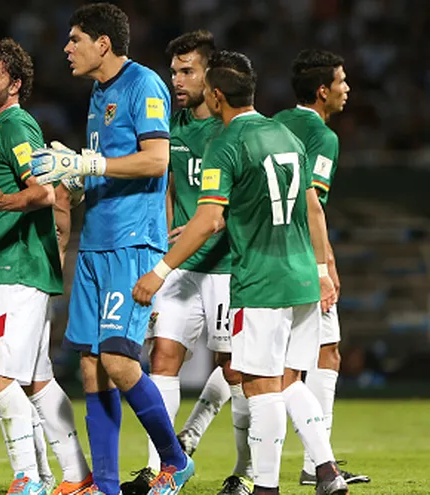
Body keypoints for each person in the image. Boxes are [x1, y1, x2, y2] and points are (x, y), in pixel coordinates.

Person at [132, 50, 348, 495]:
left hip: (260, 281)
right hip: (303, 277)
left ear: (215, 95)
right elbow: (312, 208)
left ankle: (266, 486)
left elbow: (210, 219)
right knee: (289, 381)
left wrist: (159, 271)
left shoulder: (225, 145)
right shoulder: (285, 133)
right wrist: (323, 269)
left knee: (260, 385)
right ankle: (326, 471)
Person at [29, 4, 194, 494]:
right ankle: (104, 485)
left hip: (131, 242)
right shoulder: (99, 92)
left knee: (120, 361)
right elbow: (105, 166)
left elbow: (155, 159)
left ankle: (175, 459)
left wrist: (91, 162)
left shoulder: (144, 85)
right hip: (97, 240)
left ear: (103, 43)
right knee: (90, 364)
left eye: (75, 38)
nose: (67, 47)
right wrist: (78, 178)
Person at [122, 29, 253, 495]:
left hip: (226, 267)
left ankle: (245, 472)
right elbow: (169, 190)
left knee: (236, 369)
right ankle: (163, 467)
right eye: (173, 71)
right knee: (162, 359)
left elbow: (244, 199)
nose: (177, 80)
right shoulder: (173, 126)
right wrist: (163, 246)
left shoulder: (233, 126)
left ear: (211, 75)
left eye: (187, 71)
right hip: (181, 267)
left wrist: (213, 222)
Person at [0, 38, 98, 495]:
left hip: (16, 267)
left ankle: (28, 476)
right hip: (9, 266)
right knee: (37, 379)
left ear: (15, 84)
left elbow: (42, 191)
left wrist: (3, 202)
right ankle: (76, 474)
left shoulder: (16, 124)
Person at [274, 49, 368, 486]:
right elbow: (312, 204)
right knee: (314, 358)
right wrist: (326, 265)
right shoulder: (322, 137)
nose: (347, 89)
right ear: (322, 91)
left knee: (288, 361)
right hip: (302, 261)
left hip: (264, 255)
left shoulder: (273, 123)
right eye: (342, 81)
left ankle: (317, 461)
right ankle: (318, 462)